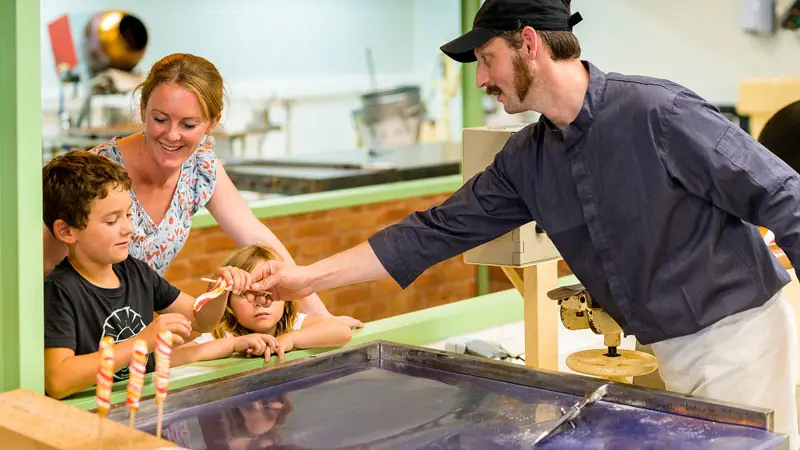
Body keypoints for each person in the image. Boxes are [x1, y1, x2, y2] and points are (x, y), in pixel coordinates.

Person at [251, 0, 800, 445]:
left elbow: (783, 193)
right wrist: (303, 280)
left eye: (487, 59)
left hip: (740, 338)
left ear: (529, 43)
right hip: (671, 350)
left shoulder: (657, 112)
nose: (482, 79)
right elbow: (431, 231)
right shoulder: (527, 159)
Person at [41, 53, 333, 317]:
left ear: (212, 122)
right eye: (160, 119)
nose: (172, 135)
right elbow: (42, 267)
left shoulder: (201, 169)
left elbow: (263, 243)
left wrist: (323, 319)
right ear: (143, 109)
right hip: (72, 335)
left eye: (189, 125)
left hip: (131, 334)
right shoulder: (97, 172)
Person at [42, 150, 260, 400]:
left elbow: (200, 320)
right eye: (111, 221)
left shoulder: (135, 271)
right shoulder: (59, 290)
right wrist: (141, 342)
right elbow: (58, 380)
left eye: (128, 215)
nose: (129, 229)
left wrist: (221, 291)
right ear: (66, 231)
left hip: (142, 409)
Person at [171, 244, 357, 367]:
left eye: (269, 293)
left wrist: (290, 340)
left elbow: (341, 331)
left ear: (286, 301)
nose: (260, 303)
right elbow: (170, 358)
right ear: (228, 305)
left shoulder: (291, 326)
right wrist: (233, 345)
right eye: (245, 294)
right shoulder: (220, 334)